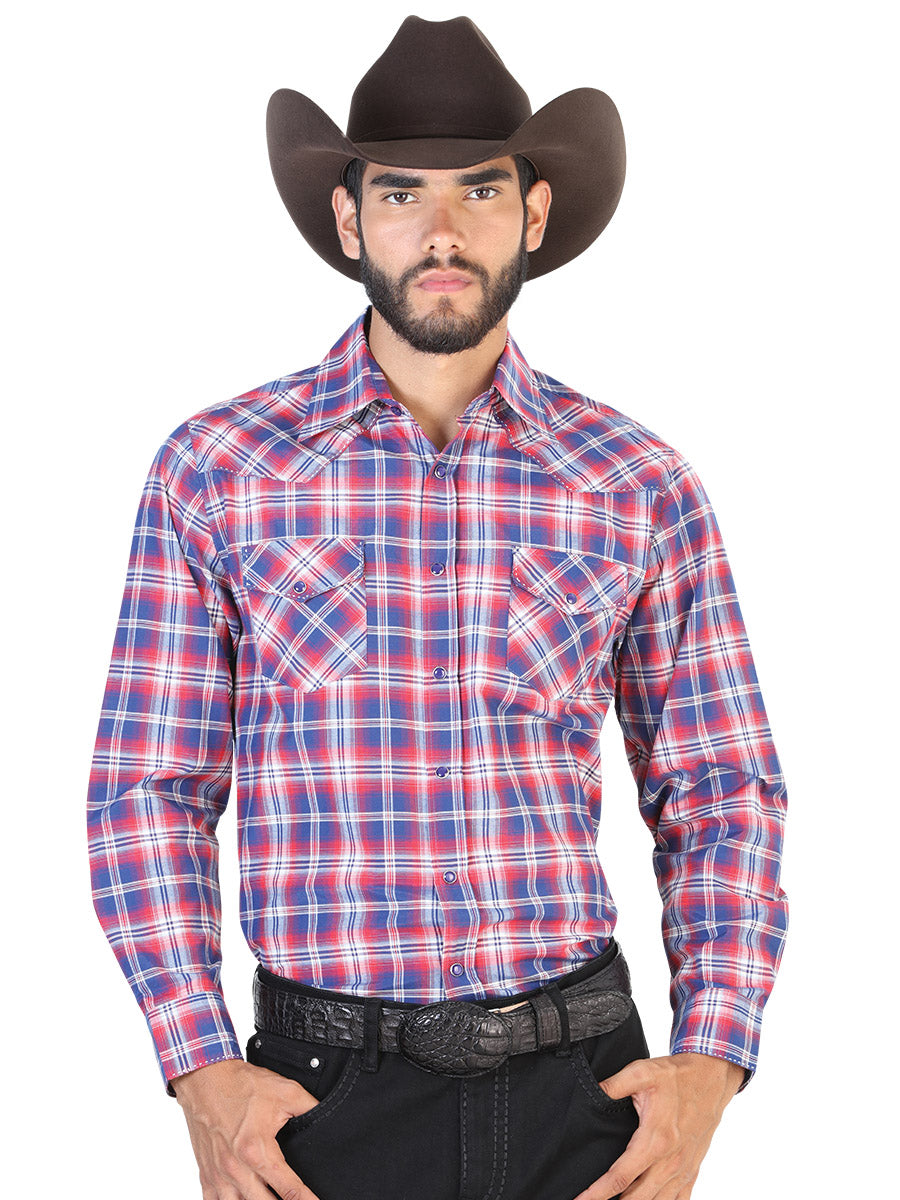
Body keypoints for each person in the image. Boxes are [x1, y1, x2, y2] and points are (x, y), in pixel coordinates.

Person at [87, 15, 788, 1200]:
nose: (443, 231)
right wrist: (197, 1061)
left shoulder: (636, 481)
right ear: (350, 219)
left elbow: (721, 785)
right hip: (317, 1106)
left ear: (536, 214)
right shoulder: (219, 469)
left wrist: (714, 1055)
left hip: (586, 1094)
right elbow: (147, 789)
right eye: (402, 193)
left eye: (482, 189)